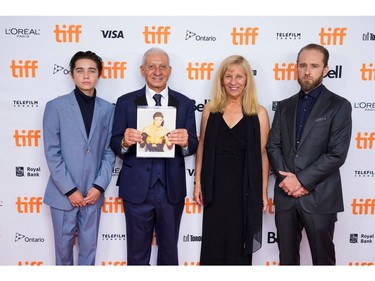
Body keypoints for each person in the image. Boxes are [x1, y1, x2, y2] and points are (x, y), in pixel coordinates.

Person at [110, 47, 198, 265]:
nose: (157, 71)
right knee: (137, 254)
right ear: (142, 70)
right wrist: (124, 141)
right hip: (136, 189)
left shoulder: (185, 103)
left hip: (171, 189)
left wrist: (186, 141)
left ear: (170, 70)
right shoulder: (125, 102)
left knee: (169, 253)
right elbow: (114, 142)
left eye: (162, 66)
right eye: (151, 66)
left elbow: (193, 145)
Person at [266, 43, 352, 265]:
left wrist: (301, 181)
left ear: (325, 70)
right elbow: (272, 146)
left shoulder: (339, 106)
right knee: (287, 261)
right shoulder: (284, 106)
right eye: (302, 65)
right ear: (296, 67)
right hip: (286, 198)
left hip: (320, 197)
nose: (307, 71)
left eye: (314, 66)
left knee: (323, 262)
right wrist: (287, 181)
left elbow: (336, 154)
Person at [193, 55, 270, 265]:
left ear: (247, 80)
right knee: (214, 243)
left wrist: (263, 192)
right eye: (228, 76)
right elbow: (202, 147)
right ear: (221, 80)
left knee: (239, 246)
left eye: (238, 76)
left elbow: (263, 155)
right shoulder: (210, 110)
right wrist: (198, 182)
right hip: (215, 189)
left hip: (245, 191)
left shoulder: (259, 113)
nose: (233, 82)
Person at [43, 51, 116, 265]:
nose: (86, 75)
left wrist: (99, 186)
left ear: (99, 74)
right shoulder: (55, 107)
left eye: (91, 70)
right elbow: (52, 152)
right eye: (80, 70)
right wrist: (70, 190)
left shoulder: (108, 109)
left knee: (89, 254)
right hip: (63, 194)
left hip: (93, 193)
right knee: (63, 255)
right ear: (72, 74)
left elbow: (110, 151)